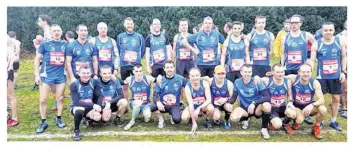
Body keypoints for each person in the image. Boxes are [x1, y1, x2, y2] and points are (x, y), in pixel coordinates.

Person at [308, 21, 347, 131]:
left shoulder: (340, 41)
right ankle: (320, 121)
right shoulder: (317, 44)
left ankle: (333, 121)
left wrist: (343, 72)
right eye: (326, 30)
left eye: (330, 30)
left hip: (336, 76)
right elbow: (312, 60)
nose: (328, 32)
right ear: (322, 31)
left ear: (334, 31)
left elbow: (344, 57)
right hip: (322, 77)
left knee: (335, 98)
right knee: (320, 99)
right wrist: (308, 71)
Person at [33, 24, 67, 133]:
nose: (56, 32)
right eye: (54, 31)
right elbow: (37, 59)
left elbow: (69, 60)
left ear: (61, 32)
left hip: (60, 76)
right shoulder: (45, 43)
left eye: (58, 30)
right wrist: (37, 75)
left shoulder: (65, 44)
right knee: (43, 100)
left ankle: (59, 118)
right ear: (51, 33)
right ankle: (43, 121)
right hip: (46, 76)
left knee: (60, 98)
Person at [228, 64, 272, 139]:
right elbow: (233, 98)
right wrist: (226, 102)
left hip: (256, 107)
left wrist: (254, 103)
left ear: (251, 73)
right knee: (234, 118)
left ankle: (264, 129)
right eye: (245, 71)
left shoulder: (257, 81)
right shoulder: (237, 82)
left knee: (267, 105)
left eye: (249, 72)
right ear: (241, 72)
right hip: (245, 107)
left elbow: (267, 97)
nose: (247, 74)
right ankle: (246, 118)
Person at [285, 63, 327, 139]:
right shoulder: (293, 78)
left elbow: (322, 99)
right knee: (299, 121)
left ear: (311, 72)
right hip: (296, 106)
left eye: (308, 72)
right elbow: (279, 76)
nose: (306, 74)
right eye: (303, 72)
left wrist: (311, 105)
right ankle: (291, 122)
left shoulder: (315, 83)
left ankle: (316, 127)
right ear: (298, 72)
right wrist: (270, 75)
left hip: (308, 106)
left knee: (323, 109)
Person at [254, 63, 296, 134]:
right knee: (277, 125)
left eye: (282, 72)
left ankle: (285, 123)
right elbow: (256, 79)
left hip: (282, 107)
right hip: (271, 108)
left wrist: (290, 102)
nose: (280, 74)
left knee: (293, 114)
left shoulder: (287, 81)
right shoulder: (266, 80)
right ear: (272, 72)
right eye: (278, 72)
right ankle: (269, 122)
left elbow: (289, 95)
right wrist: (256, 77)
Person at [69, 65, 104, 141]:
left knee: (97, 117)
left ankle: (86, 119)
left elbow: (100, 95)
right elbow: (76, 102)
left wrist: (98, 108)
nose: (86, 75)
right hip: (76, 107)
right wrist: (93, 105)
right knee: (80, 110)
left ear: (90, 73)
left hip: (89, 108)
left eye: (88, 73)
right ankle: (76, 131)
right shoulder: (74, 84)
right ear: (79, 74)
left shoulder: (94, 82)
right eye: (83, 73)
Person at [151, 60, 188, 128]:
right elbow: (155, 95)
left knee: (177, 120)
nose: (169, 69)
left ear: (174, 68)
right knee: (149, 108)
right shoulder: (160, 80)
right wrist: (158, 102)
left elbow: (190, 87)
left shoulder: (180, 79)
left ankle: (172, 114)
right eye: (167, 67)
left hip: (174, 105)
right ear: (164, 69)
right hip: (163, 105)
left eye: (171, 67)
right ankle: (160, 118)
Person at [117, 17, 145, 99]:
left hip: (136, 66)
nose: (130, 25)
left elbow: (142, 50)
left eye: (131, 24)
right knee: (125, 85)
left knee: (138, 84)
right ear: (124, 25)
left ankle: (139, 103)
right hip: (124, 65)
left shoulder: (139, 36)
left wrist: (136, 59)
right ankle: (125, 104)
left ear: (133, 25)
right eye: (128, 24)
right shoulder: (120, 36)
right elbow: (118, 50)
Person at [123, 64, 156, 130]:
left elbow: (157, 80)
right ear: (133, 72)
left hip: (146, 104)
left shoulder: (148, 78)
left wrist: (159, 79)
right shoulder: (129, 79)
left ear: (142, 71)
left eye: (140, 71)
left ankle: (144, 114)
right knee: (138, 102)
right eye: (137, 71)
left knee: (147, 116)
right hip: (134, 103)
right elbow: (122, 84)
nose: (139, 73)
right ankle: (132, 121)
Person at [181, 67, 213, 132]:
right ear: (189, 76)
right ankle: (191, 119)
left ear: (200, 75)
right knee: (184, 117)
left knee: (211, 108)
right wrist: (194, 122)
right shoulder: (188, 87)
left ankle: (208, 120)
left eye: (196, 75)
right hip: (194, 105)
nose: (195, 77)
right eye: (192, 76)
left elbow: (209, 100)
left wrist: (199, 108)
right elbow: (191, 104)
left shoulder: (204, 83)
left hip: (204, 105)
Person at [7, 34, 19, 128]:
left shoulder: (8, 50)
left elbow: (14, 60)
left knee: (10, 96)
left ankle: (14, 118)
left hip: (7, 72)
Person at [336, 20, 347, 119]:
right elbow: (341, 54)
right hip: (345, 65)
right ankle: (344, 108)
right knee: (344, 89)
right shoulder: (340, 37)